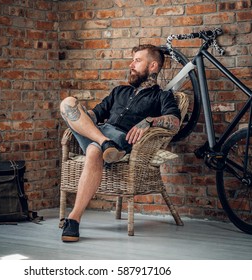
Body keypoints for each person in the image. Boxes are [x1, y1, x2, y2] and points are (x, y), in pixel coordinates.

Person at [59, 44, 181, 242]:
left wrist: (151, 120)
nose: (131, 65)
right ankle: (104, 143)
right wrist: (77, 116)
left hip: (121, 139)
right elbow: (96, 114)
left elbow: (175, 122)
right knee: (67, 103)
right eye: (132, 60)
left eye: (137, 61)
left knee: (93, 151)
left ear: (153, 66)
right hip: (99, 133)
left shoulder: (161, 96)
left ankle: (73, 219)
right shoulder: (119, 91)